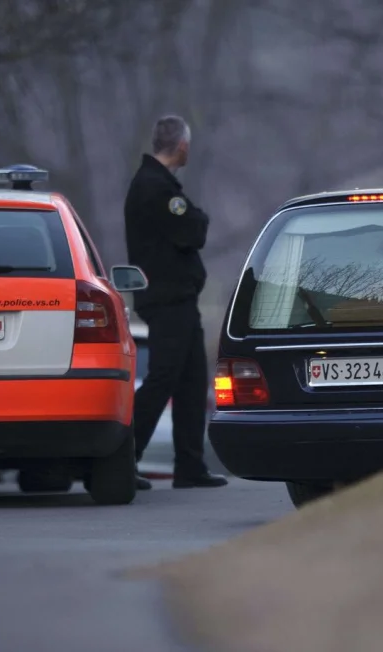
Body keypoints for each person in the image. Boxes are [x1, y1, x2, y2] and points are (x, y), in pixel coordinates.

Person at [124, 115, 228, 490]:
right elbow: (193, 229)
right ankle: (124, 457)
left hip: (178, 298)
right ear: (182, 146)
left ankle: (190, 466)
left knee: (190, 381)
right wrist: (199, 217)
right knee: (163, 379)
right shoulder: (157, 188)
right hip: (168, 299)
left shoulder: (156, 183)